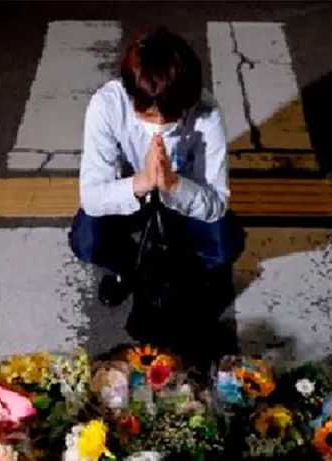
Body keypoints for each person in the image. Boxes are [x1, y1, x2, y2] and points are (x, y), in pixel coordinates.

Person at [70, 27, 243, 353]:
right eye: (148, 114)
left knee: (224, 243)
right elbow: (92, 196)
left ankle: (190, 278)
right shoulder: (107, 105)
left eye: (172, 115)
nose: (160, 123)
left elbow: (218, 201)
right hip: (132, 191)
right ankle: (125, 272)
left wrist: (173, 184)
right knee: (87, 239)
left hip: (180, 193)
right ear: (131, 95)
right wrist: (142, 183)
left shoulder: (206, 110)